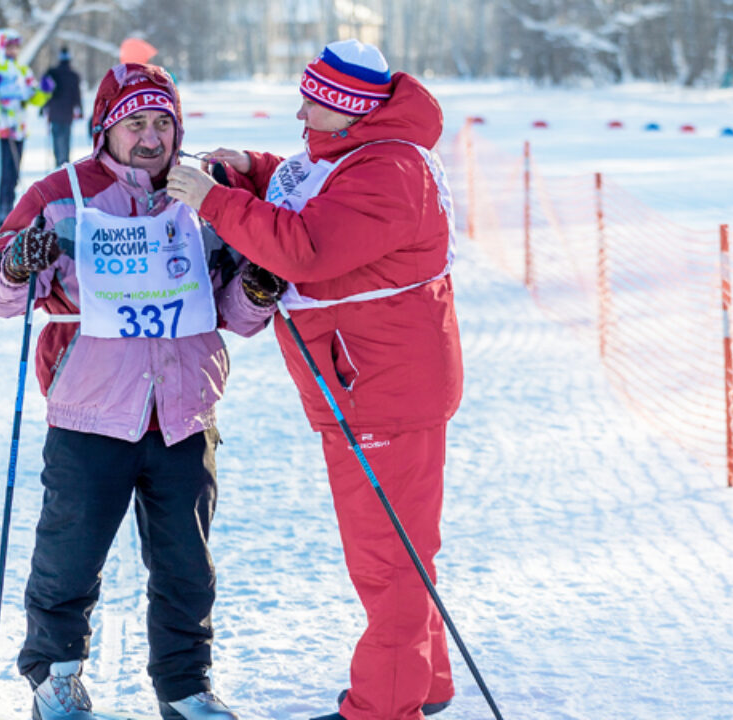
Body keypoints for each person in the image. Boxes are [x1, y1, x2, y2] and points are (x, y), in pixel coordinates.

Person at [166, 39, 462, 720]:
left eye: (314, 101)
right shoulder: (365, 151)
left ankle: (386, 706)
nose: (300, 111)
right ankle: (425, 680)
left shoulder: (393, 174)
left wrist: (213, 201)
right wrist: (252, 169)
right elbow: (316, 188)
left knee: (387, 560)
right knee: (402, 549)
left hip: (382, 391)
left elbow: (306, 245)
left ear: (350, 111)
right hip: (367, 384)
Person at [0, 62, 281, 720]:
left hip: (183, 411)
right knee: (69, 556)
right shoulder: (63, 195)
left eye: (162, 123)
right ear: (104, 130)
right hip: (91, 409)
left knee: (186, 567)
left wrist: (257, 289)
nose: (151, 138)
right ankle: (55, 678)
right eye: (135, 123)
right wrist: (17, 262)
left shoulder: (205, 195)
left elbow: (231, 310)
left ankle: (186, 686)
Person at [0, 28, 53, 233]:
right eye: (9, 46)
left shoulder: (22, 70)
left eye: (16, 46)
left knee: (14, 177)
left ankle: (10, 220)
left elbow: (33, 98)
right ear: (0, 47)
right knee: (2, 176)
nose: (14, 50)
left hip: (18, 129)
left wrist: (44, 91)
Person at [42, 47, 83, 167]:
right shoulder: (73, 75)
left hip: (54, 112)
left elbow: (46, 92)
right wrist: (80, 109)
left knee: (56, 137)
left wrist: (43, 107)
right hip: (67, 113)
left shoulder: (52, 73)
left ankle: (58, 163)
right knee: (65, 138)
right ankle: (64, 163)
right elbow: (77, 95)